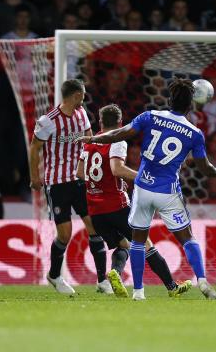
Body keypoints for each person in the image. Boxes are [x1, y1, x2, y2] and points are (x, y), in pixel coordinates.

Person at [76, 78, 216, 300]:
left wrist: (93, 138)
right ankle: (203, 282)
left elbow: (119, 133)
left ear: (170, 99)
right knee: (187, 238)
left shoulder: (150, 116)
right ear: (191, 105)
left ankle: (138, 292)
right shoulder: (195, 133)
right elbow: (204, 168)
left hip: (143, 187)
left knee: (137, 240)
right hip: (168, 191)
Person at [77, 104, 191, 298]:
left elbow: (80, 173)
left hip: (95, 210)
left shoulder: (89, 143)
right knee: (146, 244)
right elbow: (117, 169)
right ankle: (172, 287)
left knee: (123, 246)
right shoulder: (118, 141)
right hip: (117, 205)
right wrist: (144, 178)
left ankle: (115, 272)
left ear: (100, 121)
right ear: (121, 123)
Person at [29, 79, 110, 296]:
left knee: (95, 227)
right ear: (75, 95)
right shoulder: (48, 121)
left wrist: (95, 171)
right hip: (57, 184)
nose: (83, 100)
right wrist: (35, 177)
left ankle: (103, 280)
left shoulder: (82, 114)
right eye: (82, 96)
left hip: (80, 180)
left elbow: (90, 140)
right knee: (65, 234)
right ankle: (54, 275)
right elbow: (34, 148)